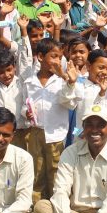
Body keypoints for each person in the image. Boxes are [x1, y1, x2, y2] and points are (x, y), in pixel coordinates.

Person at [25, 39, 80, 202]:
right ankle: (36, 208)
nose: (57, 61)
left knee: (55, 171)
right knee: (37, 170)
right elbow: (23, 103)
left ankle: (56, 206)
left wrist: (68, 82)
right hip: (36, 132)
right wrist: (26, 112)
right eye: (54, 56)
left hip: (56, 135)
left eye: (60, 57)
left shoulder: (62, 81)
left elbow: (70, 103)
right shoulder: (29, 81)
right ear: (40, 57)